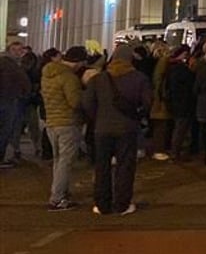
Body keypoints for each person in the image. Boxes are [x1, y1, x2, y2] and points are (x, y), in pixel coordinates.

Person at [81, 44, 153, 215]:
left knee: (102, 166)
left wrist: (98, 118)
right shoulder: (139, 78)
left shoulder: (99, 79)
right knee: (125, 167)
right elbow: (147, 103)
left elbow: (87, 103)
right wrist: (137, 116)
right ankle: (122, 204)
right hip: (127, 128)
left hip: (102, 128)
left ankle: (102, 204)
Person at [40, 46, 86, 211]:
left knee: (58, 160)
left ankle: (61, 193)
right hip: (67, 122)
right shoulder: (69, 78)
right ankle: (57, 198)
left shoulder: (48, 74)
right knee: (66, 161)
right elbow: (75, 102)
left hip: (52, 121)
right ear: (78, 62)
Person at [0, 42, 30, 168]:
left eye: (20, 50)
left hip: (10, 99)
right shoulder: (9, 64)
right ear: (9, 50)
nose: (17, 52)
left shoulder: (15, 64)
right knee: (5, 130)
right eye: (14, 50)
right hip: (7, 99)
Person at [165, 46, 194, 162]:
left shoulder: (170, 68)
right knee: (181, 129)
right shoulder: (181, 69)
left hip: (176, 102)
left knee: (180, 128)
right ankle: (176, 153)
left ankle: (177, 152)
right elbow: (189, 84)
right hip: (183, 102)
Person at [148, 43, 173, 161]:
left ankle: (159, 149)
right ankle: (159, 150)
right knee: (161, 126)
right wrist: (161, 95)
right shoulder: (163, 63)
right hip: (160, 100)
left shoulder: (153, 63)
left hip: (157, 99)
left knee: (159, 126)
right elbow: (159, 80)